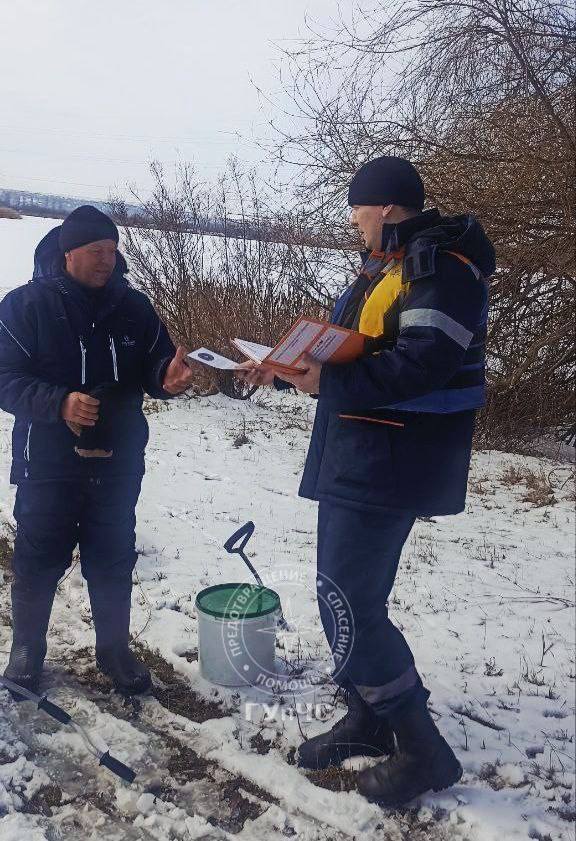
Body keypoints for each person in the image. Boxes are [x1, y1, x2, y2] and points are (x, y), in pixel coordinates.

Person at [238, 156, 496, 807]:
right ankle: (368, 716)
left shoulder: (441, 269)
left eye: (357, 208)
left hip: (392, 461)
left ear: (384, 206)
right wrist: (289, 368)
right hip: (358, 454)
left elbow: (424, 364)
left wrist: (329, 380)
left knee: (350, 601)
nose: (353, 220)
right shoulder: (384, 267)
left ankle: (423, 749)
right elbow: (356, 349)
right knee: (343, 598)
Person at [0, 205, 196, 696]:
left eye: (112, 250)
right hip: (48, 461)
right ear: (69, 253)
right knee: (39, 558)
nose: (107, 260)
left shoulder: (135, 307)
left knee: (112, 558)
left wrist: (168, 379)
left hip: (117, 460)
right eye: (96, 251)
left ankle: (114, 650)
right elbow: (5, 378)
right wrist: (58, 402)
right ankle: (26, 651)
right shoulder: (24, 306)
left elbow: (155, 365)